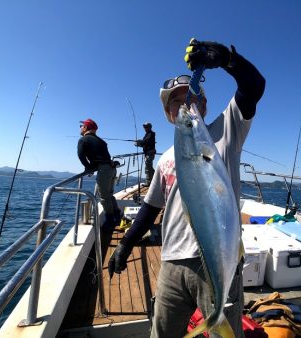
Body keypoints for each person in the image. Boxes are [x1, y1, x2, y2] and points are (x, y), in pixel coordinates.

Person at [109, 38, 265, 338]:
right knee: (162, 332)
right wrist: (127, 242)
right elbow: (151, 206)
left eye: (190, 99)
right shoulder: (168, 158)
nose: (184, 105)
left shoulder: (226, 131)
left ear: (203, 105)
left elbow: (254, 86)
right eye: (176, 102)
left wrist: (228, 59)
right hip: (171, 261)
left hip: (216, 259)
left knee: (224, 333)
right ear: (169, 113)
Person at [77, 118, 121, 230]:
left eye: (81, 126)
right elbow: (103, 156)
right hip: (112, 169)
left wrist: (88, 168)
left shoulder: (83, 140)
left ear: (86, 127)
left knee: (104, 196)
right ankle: (116, 214)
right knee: (109, 194)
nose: (80, 128)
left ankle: (110, 220)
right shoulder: (101, 141)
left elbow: (81, 156)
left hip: (104, 170)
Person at [135, 122, 156, 187]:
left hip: (149, 153)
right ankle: (154, 180)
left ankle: (150, 182)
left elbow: (146, 141)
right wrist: (139, 144)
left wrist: (139, 142)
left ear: (150, 127)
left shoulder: (151, 134)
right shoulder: (147, 134)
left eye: (146, 127)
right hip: (148, 153)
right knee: (149, 168)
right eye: (144, 127)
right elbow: (146, 144)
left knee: (148, 168)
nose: (145, 128)